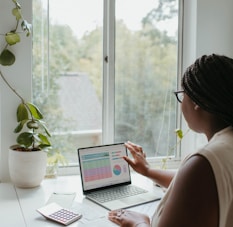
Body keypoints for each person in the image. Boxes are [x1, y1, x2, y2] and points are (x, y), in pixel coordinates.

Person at [108, 54, 233, 227]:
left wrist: (138, 223)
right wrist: (148, 170)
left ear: (198, 101)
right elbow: (195, 186)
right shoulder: (223, 150)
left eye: (182, 95)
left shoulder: (205, 161)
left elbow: (196, 180)